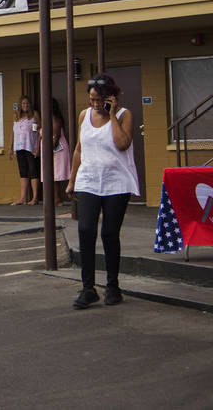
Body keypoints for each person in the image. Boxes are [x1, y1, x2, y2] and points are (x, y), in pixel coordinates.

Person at [66, 74, 139, 309]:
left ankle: (113, 286)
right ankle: (88, 288)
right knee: (86, 230)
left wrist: (112, 115)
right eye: (92, 100)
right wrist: (72, 180)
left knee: (109, 233)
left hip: (116, 183)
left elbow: (122, 143)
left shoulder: (124, 115)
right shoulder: (84, 116)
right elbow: (79, 149)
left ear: (111, 97)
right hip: (88, 181)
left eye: (99, 100)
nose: (95, 104)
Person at [7, 96, 40, 205]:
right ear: (20, 105)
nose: (25, 105)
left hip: (30, 147)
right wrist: (10, 148)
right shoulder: (16, 116)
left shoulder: (34, 115)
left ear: (30, 105)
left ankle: (34, 198)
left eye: (27, 103)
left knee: (33, 171)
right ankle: (23, 197)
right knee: (23, 172)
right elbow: (13, 132)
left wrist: (37, 147)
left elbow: (38, 131)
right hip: (19, 147)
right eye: (23, 103)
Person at [44, 98, 70, 206]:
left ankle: (58, 199)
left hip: (57, 150)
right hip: (52, 150)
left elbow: (56, 135)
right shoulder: (47, 118)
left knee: (56, 175)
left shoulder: (54, 118)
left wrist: (49, 149)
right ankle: (56, 198)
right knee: (53, 176)